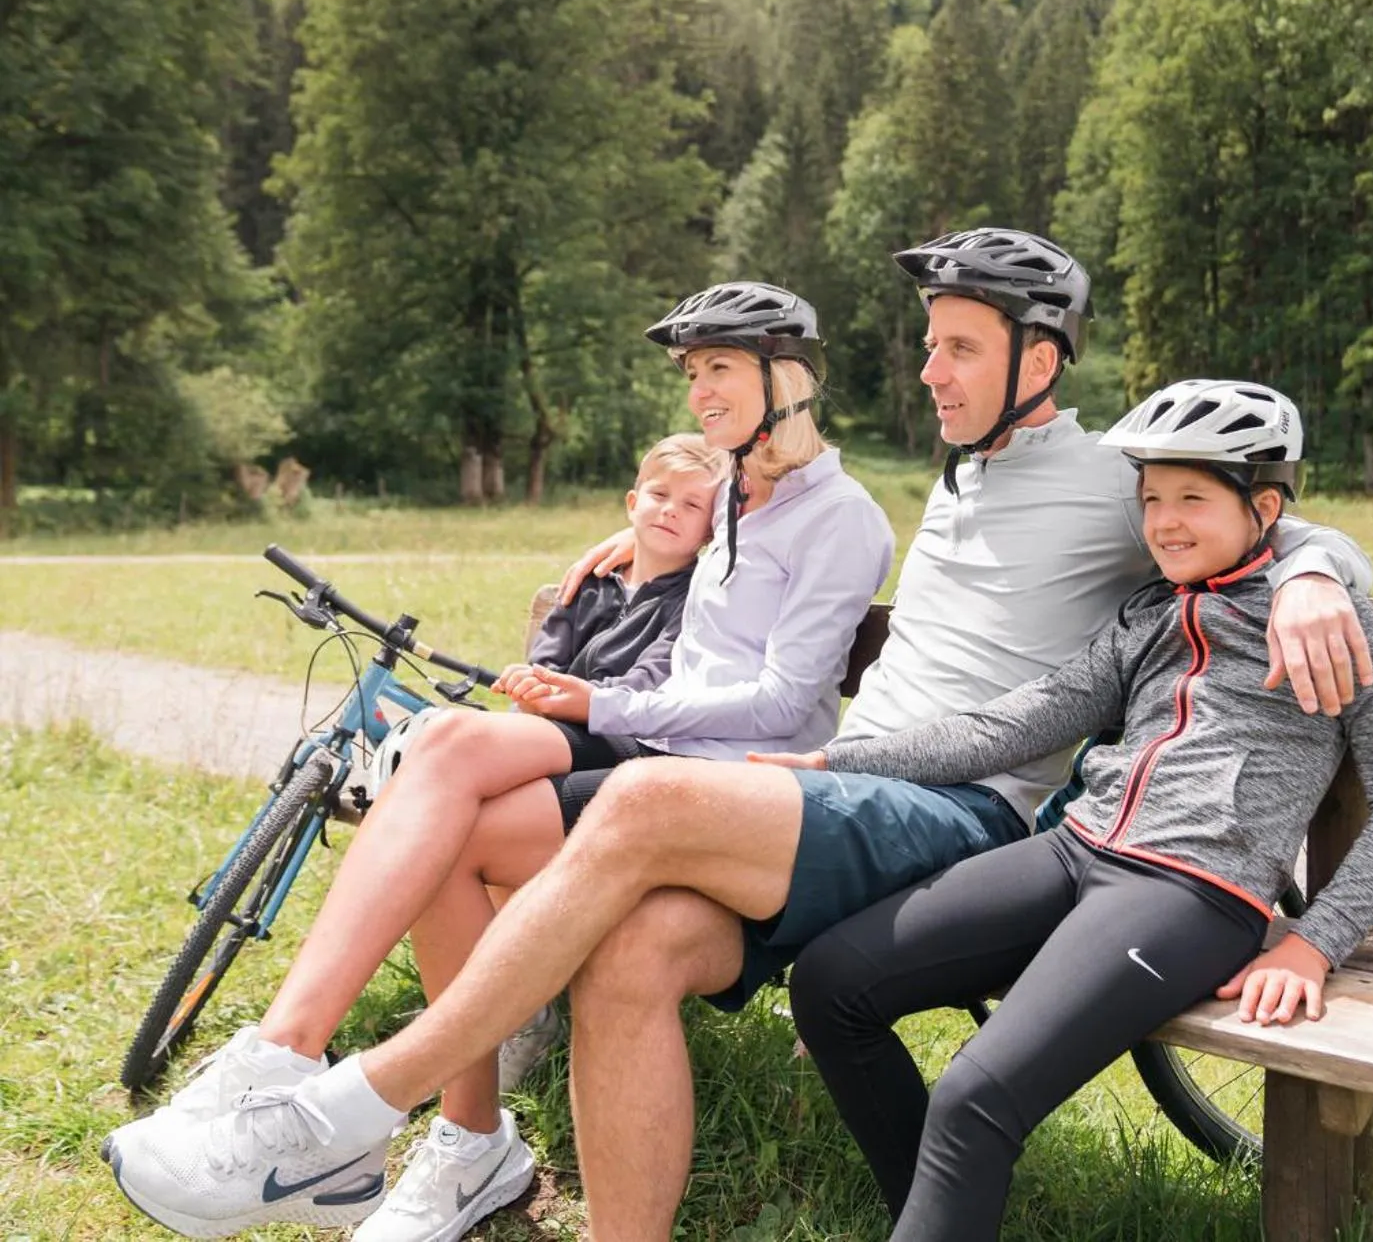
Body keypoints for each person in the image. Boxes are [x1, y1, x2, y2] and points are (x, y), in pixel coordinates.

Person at [103, 228, 1373, 1242]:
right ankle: (461, 1143)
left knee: (646, 806)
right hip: (853, 793)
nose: (926, 371)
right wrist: (639, 542)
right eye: (926, 345)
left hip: (964, 813)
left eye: (956, 348)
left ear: (1036, 362)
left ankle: (341, 1106)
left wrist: (1320, 571)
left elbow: (1254, 511)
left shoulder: (1109, 475)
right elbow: (734, 506)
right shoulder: (960, 470)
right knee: (606, 931)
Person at [104, 281, 894, 1242]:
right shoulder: (733, 490)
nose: (698, 395)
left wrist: (606, 700)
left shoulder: (842, 517)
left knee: (450, 807)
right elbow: (683, 523)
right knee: (437, 767)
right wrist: (626, 538)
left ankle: (436, 1125)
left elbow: (777, 699)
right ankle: (321, 1068)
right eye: (693, 374)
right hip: (651, 748)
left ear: (788, 377)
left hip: (723, 788)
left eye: (717, 369)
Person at [769, 379, 1373, 1239]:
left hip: (1189, 890)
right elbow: (1009, 726)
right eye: (1152, 497)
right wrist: (835, 758)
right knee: (832, 983)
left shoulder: (1324, 620)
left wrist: (1313, 943)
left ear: (1264, 505)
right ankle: (934, 1215)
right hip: (1075, 850)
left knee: (975, 1095)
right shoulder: (1147, 614)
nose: (1163, 520)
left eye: (1192, 498)